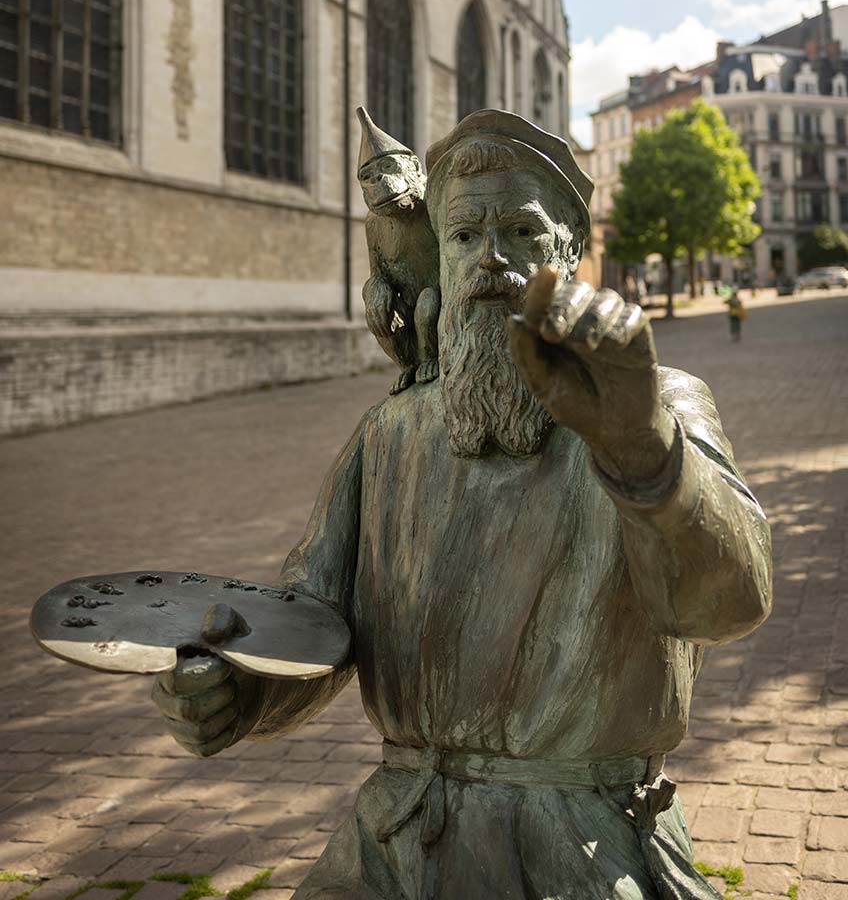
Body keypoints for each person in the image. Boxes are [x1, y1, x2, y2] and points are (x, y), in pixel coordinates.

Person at [151, 111, 772, 900]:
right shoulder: (388, 435)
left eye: (521, 231)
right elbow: (314, 621)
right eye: (466, 236)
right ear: (439, 259)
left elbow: (730, 602)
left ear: (569, 253)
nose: (491, 259)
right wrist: (239, 690)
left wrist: (642, 449)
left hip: (586, 843)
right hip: (395, 842)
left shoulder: (660, 406)